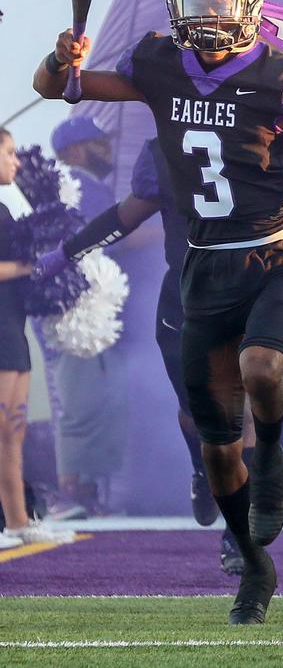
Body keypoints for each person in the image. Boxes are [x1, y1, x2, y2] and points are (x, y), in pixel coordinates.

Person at [33, 0, 283, 626]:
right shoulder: (160, 64)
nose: (210, 17)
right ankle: (253, 561)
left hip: (276, 256)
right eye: (198, 3)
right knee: (216, 447)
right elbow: (58, 87)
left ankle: (274, 458)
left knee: (262, 366)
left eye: (223, 2)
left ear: (248, 9)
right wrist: (60, 57)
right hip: (204, 268)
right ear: (178, 11)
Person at [37, 134, 283, 565]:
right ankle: (204, 470)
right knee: (198, 414)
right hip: (190, 290)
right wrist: (66, 253)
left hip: (264, 282)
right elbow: (129, 214)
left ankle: (240, 524)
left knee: (253, 391)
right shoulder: (164, 147)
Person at [46, 117, 128, 518]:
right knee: (83, 403)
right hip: (76, 315)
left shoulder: (74, 187)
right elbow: (115, 237)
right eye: (97, 142)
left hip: (88, 313)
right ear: (74, 151)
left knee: (99, 400)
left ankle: (87, 491)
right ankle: (71, 491)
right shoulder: (78, 186)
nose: (107, 148)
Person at [0, 128, 76, 546]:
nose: (16, 161)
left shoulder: (6, 211)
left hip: (12, 327)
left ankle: (18, 523)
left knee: (13, 431)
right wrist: (32, 266)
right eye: (8, 152)